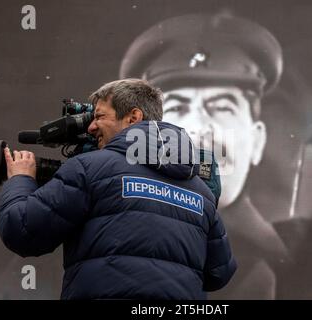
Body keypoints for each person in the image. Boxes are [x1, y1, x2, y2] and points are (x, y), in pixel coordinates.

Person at [0, 78, 236, 299]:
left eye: (99, 116)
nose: (91, 127)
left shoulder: (90, 169)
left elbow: (22, 230)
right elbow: (219, 273)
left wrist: (21, 178)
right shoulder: (201, 192)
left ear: (133, 117)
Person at [119, 13, 291, 299]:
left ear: (257, 141)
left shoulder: (293, 271)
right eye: (177, 108)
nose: (198, 129)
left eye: (223, 108)